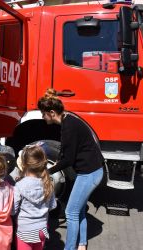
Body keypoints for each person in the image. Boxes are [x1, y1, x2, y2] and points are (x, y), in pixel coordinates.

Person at [37, 89, 104, 250]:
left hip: (90, 173)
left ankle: (70, 247)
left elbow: (68, 160)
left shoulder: (68, 127)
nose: (42, 117)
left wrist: (48, 171)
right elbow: (66, 151)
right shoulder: (68, 121)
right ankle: (81, 244)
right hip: (90, 170)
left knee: (71, 212)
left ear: (52, 113)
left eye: (43, 114)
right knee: (78, 210)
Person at [13, 145, 57, 250]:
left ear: (24, 164)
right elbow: (52, 206)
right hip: (42, 229)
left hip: (24, 231)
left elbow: (13, 210)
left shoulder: (19, 185)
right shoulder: (47, 183)